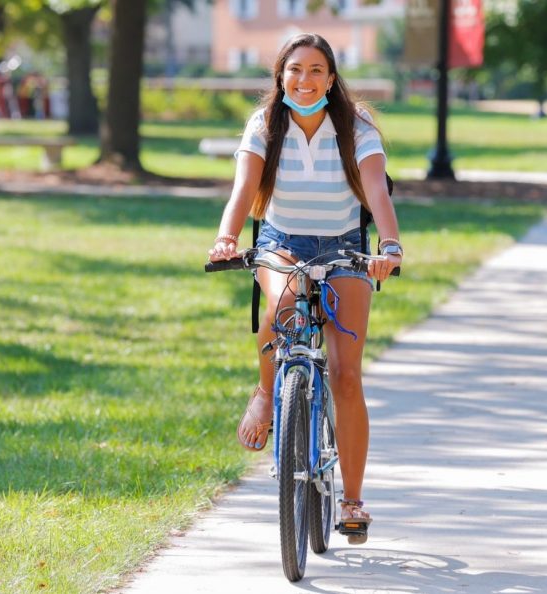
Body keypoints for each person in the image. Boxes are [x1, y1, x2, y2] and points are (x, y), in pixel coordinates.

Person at [207, 33, 402, 544]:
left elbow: (376, 186)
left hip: (344, 245)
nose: (305, 80)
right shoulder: (266, 124)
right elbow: (243, 189)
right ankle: (268, 392)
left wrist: (390, 246)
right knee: (286, 302)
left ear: (331, 79)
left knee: (346, 376)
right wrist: (227, 238)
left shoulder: (354, 125)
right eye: (295, 69)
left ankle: (354, 498)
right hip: (282, 241)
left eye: (317, 70)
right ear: (280, 76)